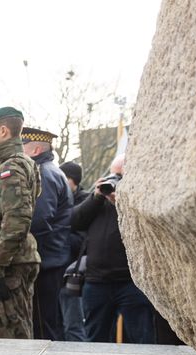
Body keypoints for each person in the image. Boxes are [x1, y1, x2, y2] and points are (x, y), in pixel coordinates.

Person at [69, 155, 155, 344]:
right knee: (95, 340)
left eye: (120, 176)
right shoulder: (97, 201)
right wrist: (96, 197)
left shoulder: (139, 199)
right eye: (113, 175)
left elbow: (149, 227)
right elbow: (74, 221)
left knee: (142, 340)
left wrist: (122, 203)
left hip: (132, 283)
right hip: (96, 282)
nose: (115, 181)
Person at [0, 107, 41, 339]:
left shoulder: (9, 168)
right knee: (17, 330)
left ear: (3, 131)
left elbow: (17, 220)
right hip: (12, 258)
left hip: (8, 262)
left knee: (12, 336)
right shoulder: (21, 163)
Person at [21, 127, 73, 340]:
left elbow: (39, 219)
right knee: (48, 322)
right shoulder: (51, 171)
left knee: (42, 326)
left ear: (36, 149)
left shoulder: (43, 174)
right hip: (51, 257)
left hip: (44, 260)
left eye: (22, 146)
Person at [58, 160, 88, 341]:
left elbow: (83, 241)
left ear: (72, 180)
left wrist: (58, 236)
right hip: (56, 270)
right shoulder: (59, 200)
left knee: (73, 325)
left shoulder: (86, 203)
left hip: (73, 273)